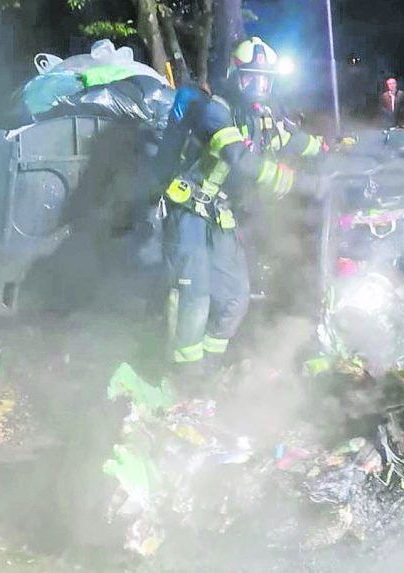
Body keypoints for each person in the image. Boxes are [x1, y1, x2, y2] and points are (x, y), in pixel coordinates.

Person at [153, 36, 325, 383]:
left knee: (234, 297)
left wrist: (328, 148)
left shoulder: (257, 116)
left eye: (265, 80)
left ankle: (209, 366)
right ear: (235, 76)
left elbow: (290, 140)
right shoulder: (215, 110)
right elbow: (239, 159)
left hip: (220, 215)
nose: (259, 86)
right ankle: (183, 374)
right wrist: (298, 183)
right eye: (251, 78)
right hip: (188, 212)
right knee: (195, 295)